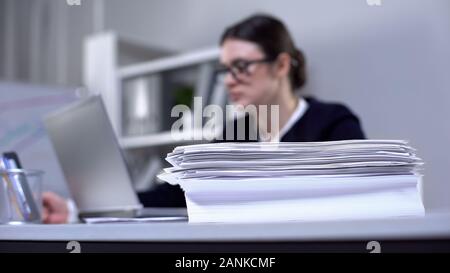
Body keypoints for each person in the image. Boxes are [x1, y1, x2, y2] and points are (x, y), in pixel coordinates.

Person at [42, 14, 365, 224]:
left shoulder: (332, 122)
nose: (228, 80)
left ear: (281, 66)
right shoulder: (236, 131)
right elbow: (181, 192)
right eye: (225, 69)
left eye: (241, 66)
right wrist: (74, 210)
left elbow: (360, 199)